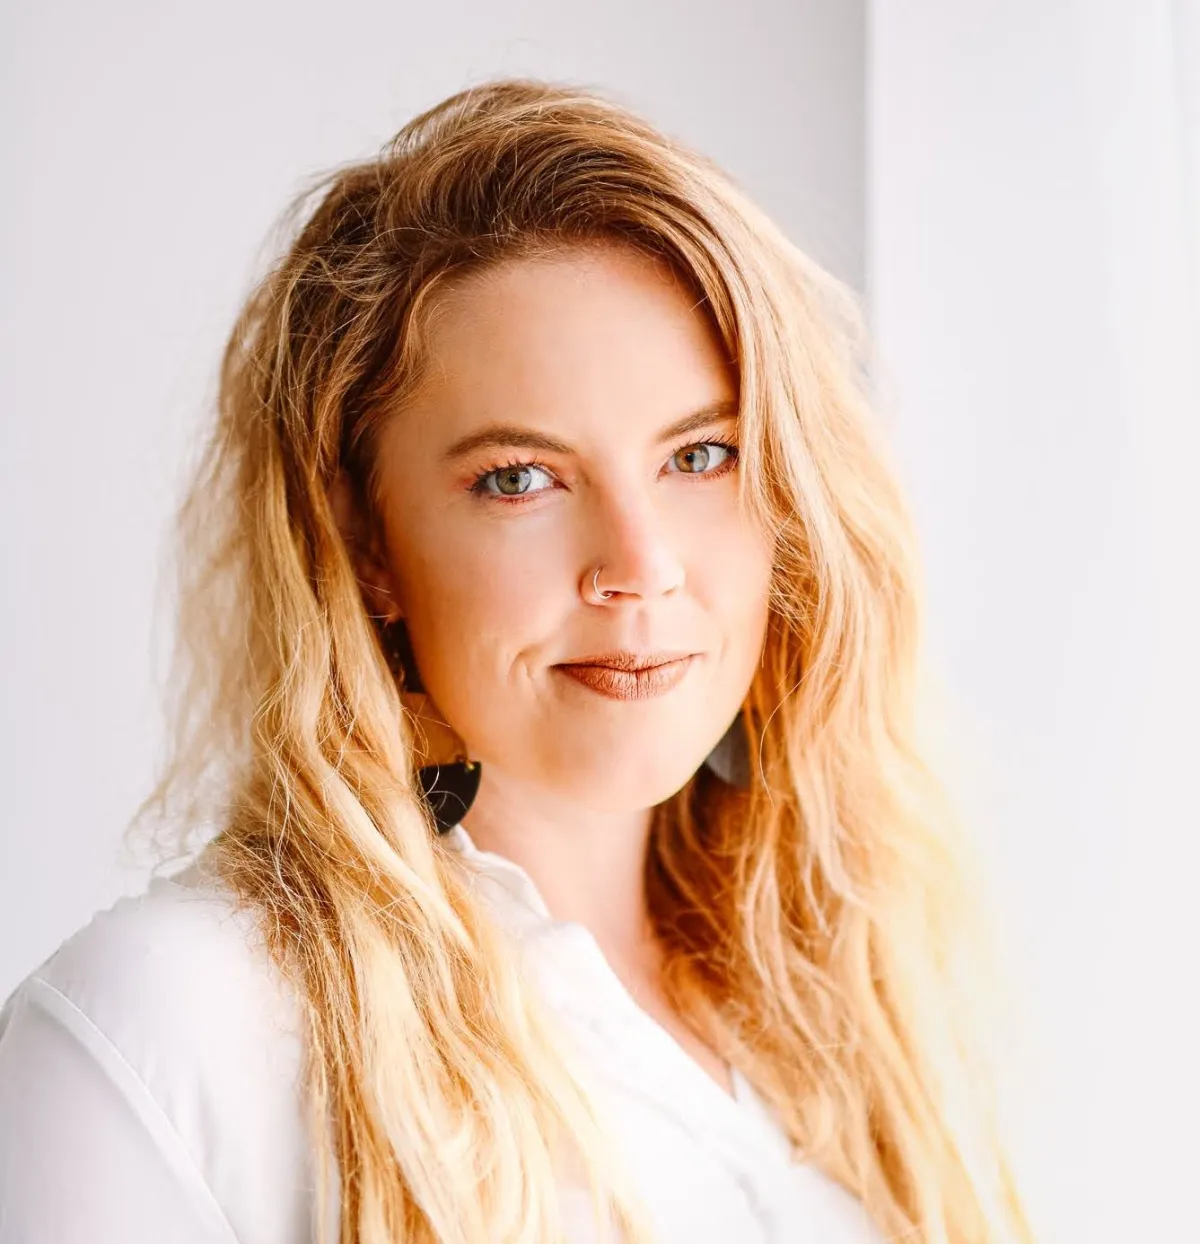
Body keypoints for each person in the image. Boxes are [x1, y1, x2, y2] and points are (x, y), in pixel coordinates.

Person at [0, 79, 1034, 1244]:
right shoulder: (171, 1026)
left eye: (700, 454)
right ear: (365, 538)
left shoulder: (835, 994)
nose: (639, 567)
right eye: (518, 477)